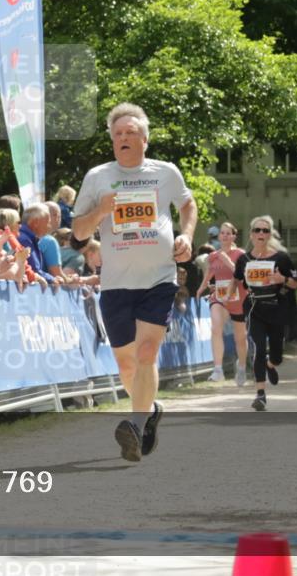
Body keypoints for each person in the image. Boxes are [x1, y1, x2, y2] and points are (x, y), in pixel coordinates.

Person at [72, 102, 196, 460]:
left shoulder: (165, 172)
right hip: (115, 284)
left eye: (130, 133)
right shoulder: (97, 177)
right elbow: (79, 231)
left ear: (145, 139)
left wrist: (186, 235)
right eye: (117, 135)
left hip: (158, 278)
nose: (123, 138)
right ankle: (150, 409)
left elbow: (188, 205)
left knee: (146, 353)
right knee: (127, 365)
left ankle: (136, 425)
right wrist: (101, 211)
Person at [231, 216, 296, 411]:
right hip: (253, 308)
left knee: (276, 354)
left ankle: (271, 364)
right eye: (257, 230)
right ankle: (260, 394)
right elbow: (236, 280)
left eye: (265, 231)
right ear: (251, 235)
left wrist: (281, 279)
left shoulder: (281, 258)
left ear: (270, 235)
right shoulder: (244, 259)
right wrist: (225, 295)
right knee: (259, 347)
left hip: (276, 308)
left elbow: (295, 283)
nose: (261, 234)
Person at [195, 222, 248, 385]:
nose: (224, 236)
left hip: (237, 297)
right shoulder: (213, 256)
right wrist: (201, 288)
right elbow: (210, 273)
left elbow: (242, 275)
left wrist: (227, 260)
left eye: (228, 233)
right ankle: (218, 370)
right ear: (219, 236)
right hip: (219, 296)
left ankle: (242, 368)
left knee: (240, 337)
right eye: (222, 233)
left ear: (234, 236)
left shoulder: (241, 254)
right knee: (215, 327)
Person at [18, 203, 61, 285]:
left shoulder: (28, 238)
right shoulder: (25, 240)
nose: (49, 226)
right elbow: (34, 269)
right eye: (47, 222)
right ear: (36, 222)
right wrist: (52, 279)